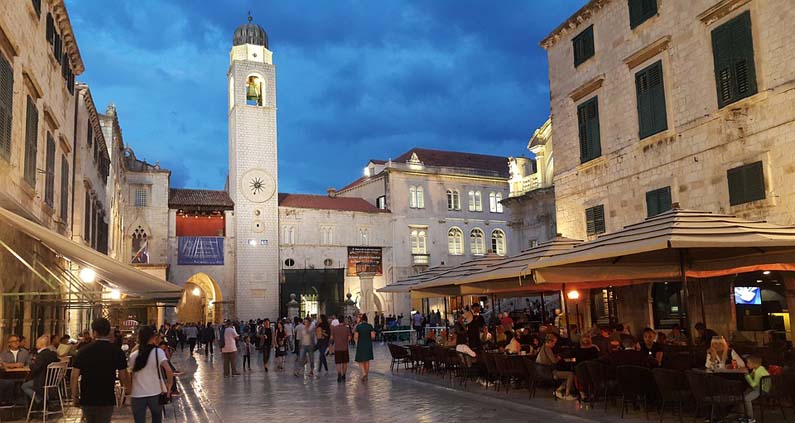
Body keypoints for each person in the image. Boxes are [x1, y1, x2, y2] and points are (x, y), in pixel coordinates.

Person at [71, 318, 129, 423]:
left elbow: (74, 376)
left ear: (94, 332)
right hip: (107, 396)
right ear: (108, 332)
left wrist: (74, 395)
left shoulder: (83, 351)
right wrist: (125, 392)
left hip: (87, 397)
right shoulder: (116, 351)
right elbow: (123, 375)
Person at [128, 326, 174, 423]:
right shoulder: (158, 352)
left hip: (137, 394)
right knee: (157, 419)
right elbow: (169, 370)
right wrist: (169, 386)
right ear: (153, 337)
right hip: (155, 393)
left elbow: (130, 374)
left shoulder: (133, 355)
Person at [21, 335, 60, 408]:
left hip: (42, 381)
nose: (36, 344)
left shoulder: (41, 355)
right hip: (52, 381)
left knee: (24, 385)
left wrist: (31, 365)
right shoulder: (52, 354)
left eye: (37, 343)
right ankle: (42, 401)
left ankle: (40, 401)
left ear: (41, 344)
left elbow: (36, 368)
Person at [536, 334, 576, 400]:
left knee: (566, 373)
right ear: (549, 342)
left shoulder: (543, 347)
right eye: (554, 343)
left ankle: (558, 390)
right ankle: (567, 394)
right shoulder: (547, 349)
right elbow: (554, 361)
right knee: (571, 374)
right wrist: (560, 357)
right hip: (548, 373)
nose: (554, 344)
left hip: (543, 371)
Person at [742, 355, 769, 420]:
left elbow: (753, 384)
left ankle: (750, 418)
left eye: (748, 363)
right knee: (743, 394)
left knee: (747, 398)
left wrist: (746, 375)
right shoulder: (757, 368)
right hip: (759, 387)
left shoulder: (758, 372)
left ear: (755, 364)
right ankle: (743, 413)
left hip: (761, 389)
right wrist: (748, 374)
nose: (747, 364)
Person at [354, 314, 375, 381]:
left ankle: (363, 373)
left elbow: (356, 337)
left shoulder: (359, 327)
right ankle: (366, 374)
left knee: (360, 360)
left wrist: (356, 343)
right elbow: (373, 336)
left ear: (361, 320)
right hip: (368, 345)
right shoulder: (370, 326)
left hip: (361, 345)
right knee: (367, 360)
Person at [330, 317, 352, 383]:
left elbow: (332, 337)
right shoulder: (347, 329)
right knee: (345, 362)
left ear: (338, 321)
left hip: (337, 348)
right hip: (345, 348)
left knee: (338, 362)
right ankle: (344, 374)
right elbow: (349, 338)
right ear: (344, 321)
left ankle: (339, 374)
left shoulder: (334, 328)